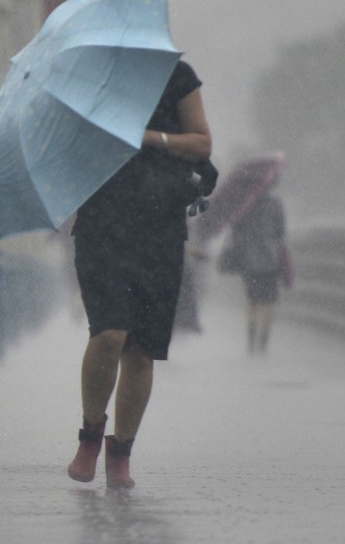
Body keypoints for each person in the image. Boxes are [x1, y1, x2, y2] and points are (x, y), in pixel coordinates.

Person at [67, 59, 212, 489]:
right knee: (109, 333)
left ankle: (122, 451)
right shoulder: (91, 79)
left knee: (141, 347)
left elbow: (202, 143)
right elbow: (69, 150)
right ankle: (90, 433)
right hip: (101, 224)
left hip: (160, 225)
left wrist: (149, 138)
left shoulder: (177, 76)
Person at [226, 186, 287, 354]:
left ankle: (250, 342)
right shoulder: (275, 203)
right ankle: (263, 343)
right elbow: (281, 231)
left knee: (252, 301)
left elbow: (235, 229)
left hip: (249, 261)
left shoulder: (244, 202)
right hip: (270, 260)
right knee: (268, 302)